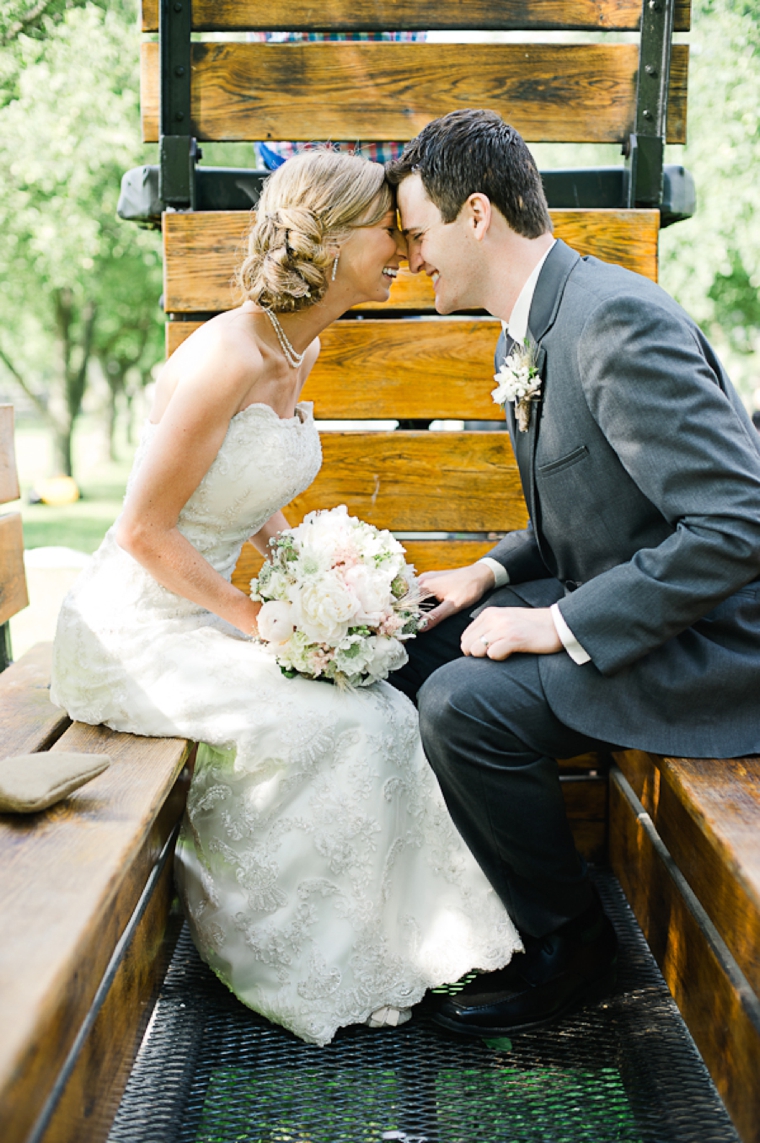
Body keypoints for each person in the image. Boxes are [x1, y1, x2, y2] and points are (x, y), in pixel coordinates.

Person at [50, 149, 519, 1047]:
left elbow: (241, 496)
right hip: (134, 627)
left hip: (203, 611)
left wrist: (322, 572)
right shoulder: (231, 353)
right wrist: (258, 620)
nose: (406, 250)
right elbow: (146, 528)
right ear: (337, 240)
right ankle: (285, 958)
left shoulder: (294, 343)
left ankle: (392, 948)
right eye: (391, 230)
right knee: (336, 724)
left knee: (380, 708)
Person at [386, 109, 760, 1039]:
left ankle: (571, 946)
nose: (411, 255)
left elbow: (737, 523)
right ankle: (459, 912)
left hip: (709, 642)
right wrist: (487, 569)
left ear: (475, 215)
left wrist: (553, 625)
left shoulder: (612, 321)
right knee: (411, 649)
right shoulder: (534, 324)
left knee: (462, 704)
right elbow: (592, 507)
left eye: (417, 232)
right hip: (634, 598)